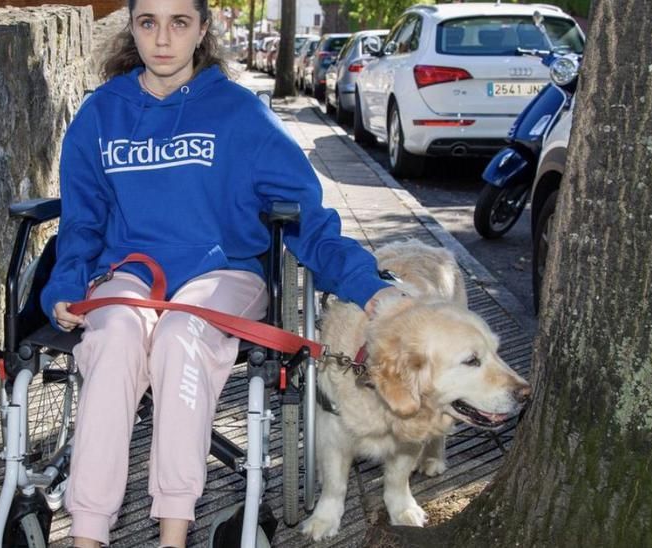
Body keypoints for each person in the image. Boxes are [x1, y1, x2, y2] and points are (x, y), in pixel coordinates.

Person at [39, 0, 402, 544]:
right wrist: (66, 285)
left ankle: (173, 534)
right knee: (112, 338)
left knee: (182, 339)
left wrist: (364, 283)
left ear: (202, 29)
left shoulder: (240, 114)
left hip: (225, 271)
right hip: (132, 271)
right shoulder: (100, 114)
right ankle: (87, 531)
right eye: (148, 22)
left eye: (179, 22)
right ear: (132, 27)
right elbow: (82, 221)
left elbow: (304, 217)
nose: (163, 39)